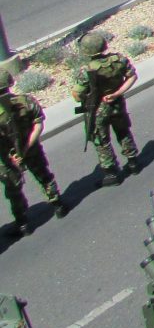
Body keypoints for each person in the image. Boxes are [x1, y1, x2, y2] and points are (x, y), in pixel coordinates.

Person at [1, 67, 67, 237]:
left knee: (14, 190)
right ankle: (58, 205)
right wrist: (28, 146)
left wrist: (11, 156)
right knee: (44, 175)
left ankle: (23, 223)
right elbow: (38, 123)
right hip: (32, 149)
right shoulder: (26, 100)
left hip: (8, 159)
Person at [72, 32, 140, 186]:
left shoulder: (87, 70)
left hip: (98, 109)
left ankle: (111, 174)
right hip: (117, 103)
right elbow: (132, 76)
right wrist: (116, 93)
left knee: (101, 140)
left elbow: (77, 95)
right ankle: (133, 163)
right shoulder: (119, 60)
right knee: (123, 132)